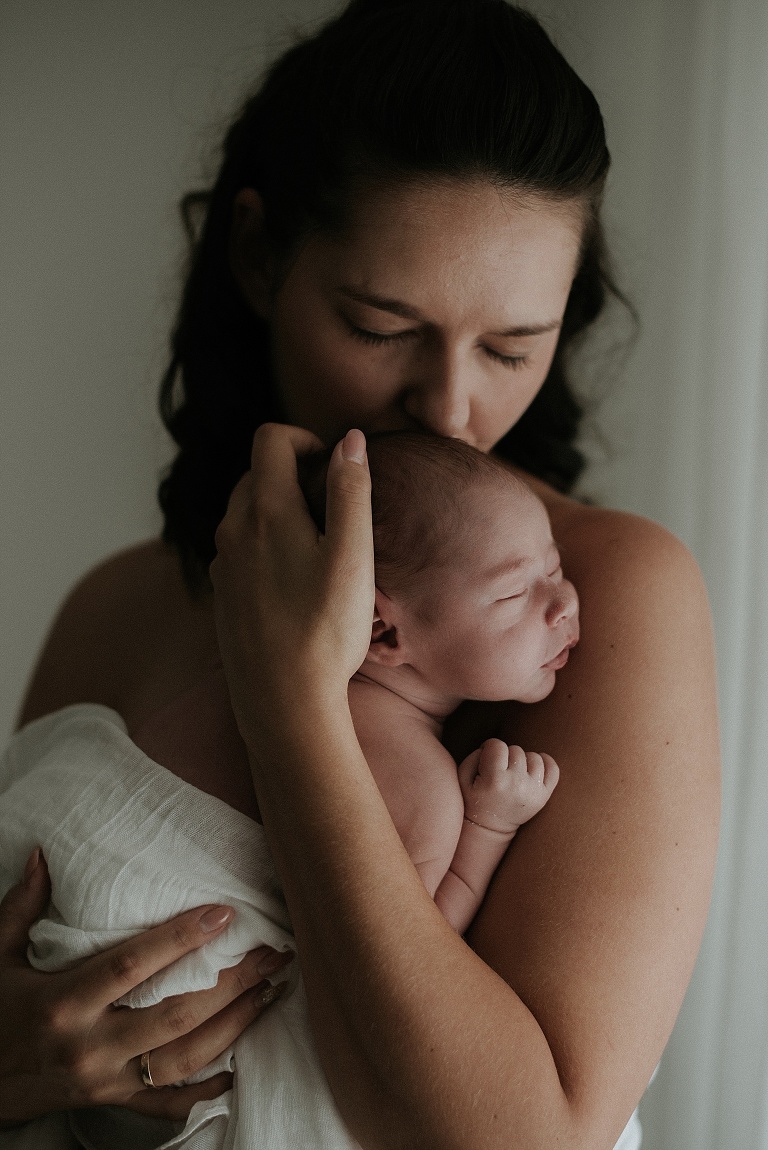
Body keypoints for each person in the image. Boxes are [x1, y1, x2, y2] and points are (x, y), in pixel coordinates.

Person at [0, 1, 720, 1148]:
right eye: (382, 326)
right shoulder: (119, 603)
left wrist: (293, 700)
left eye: (510, 348)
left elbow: (523, 1138)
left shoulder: (609, 596)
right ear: (257, 256)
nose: (447, 409)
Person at [0, 432, 570, 1149]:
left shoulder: (219, 667)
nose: (566, 603)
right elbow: (405, 960)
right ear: (380, 631)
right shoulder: (419, 783)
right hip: (146, 984)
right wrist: (486, 830)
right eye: (519, 592)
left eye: (558, 568)